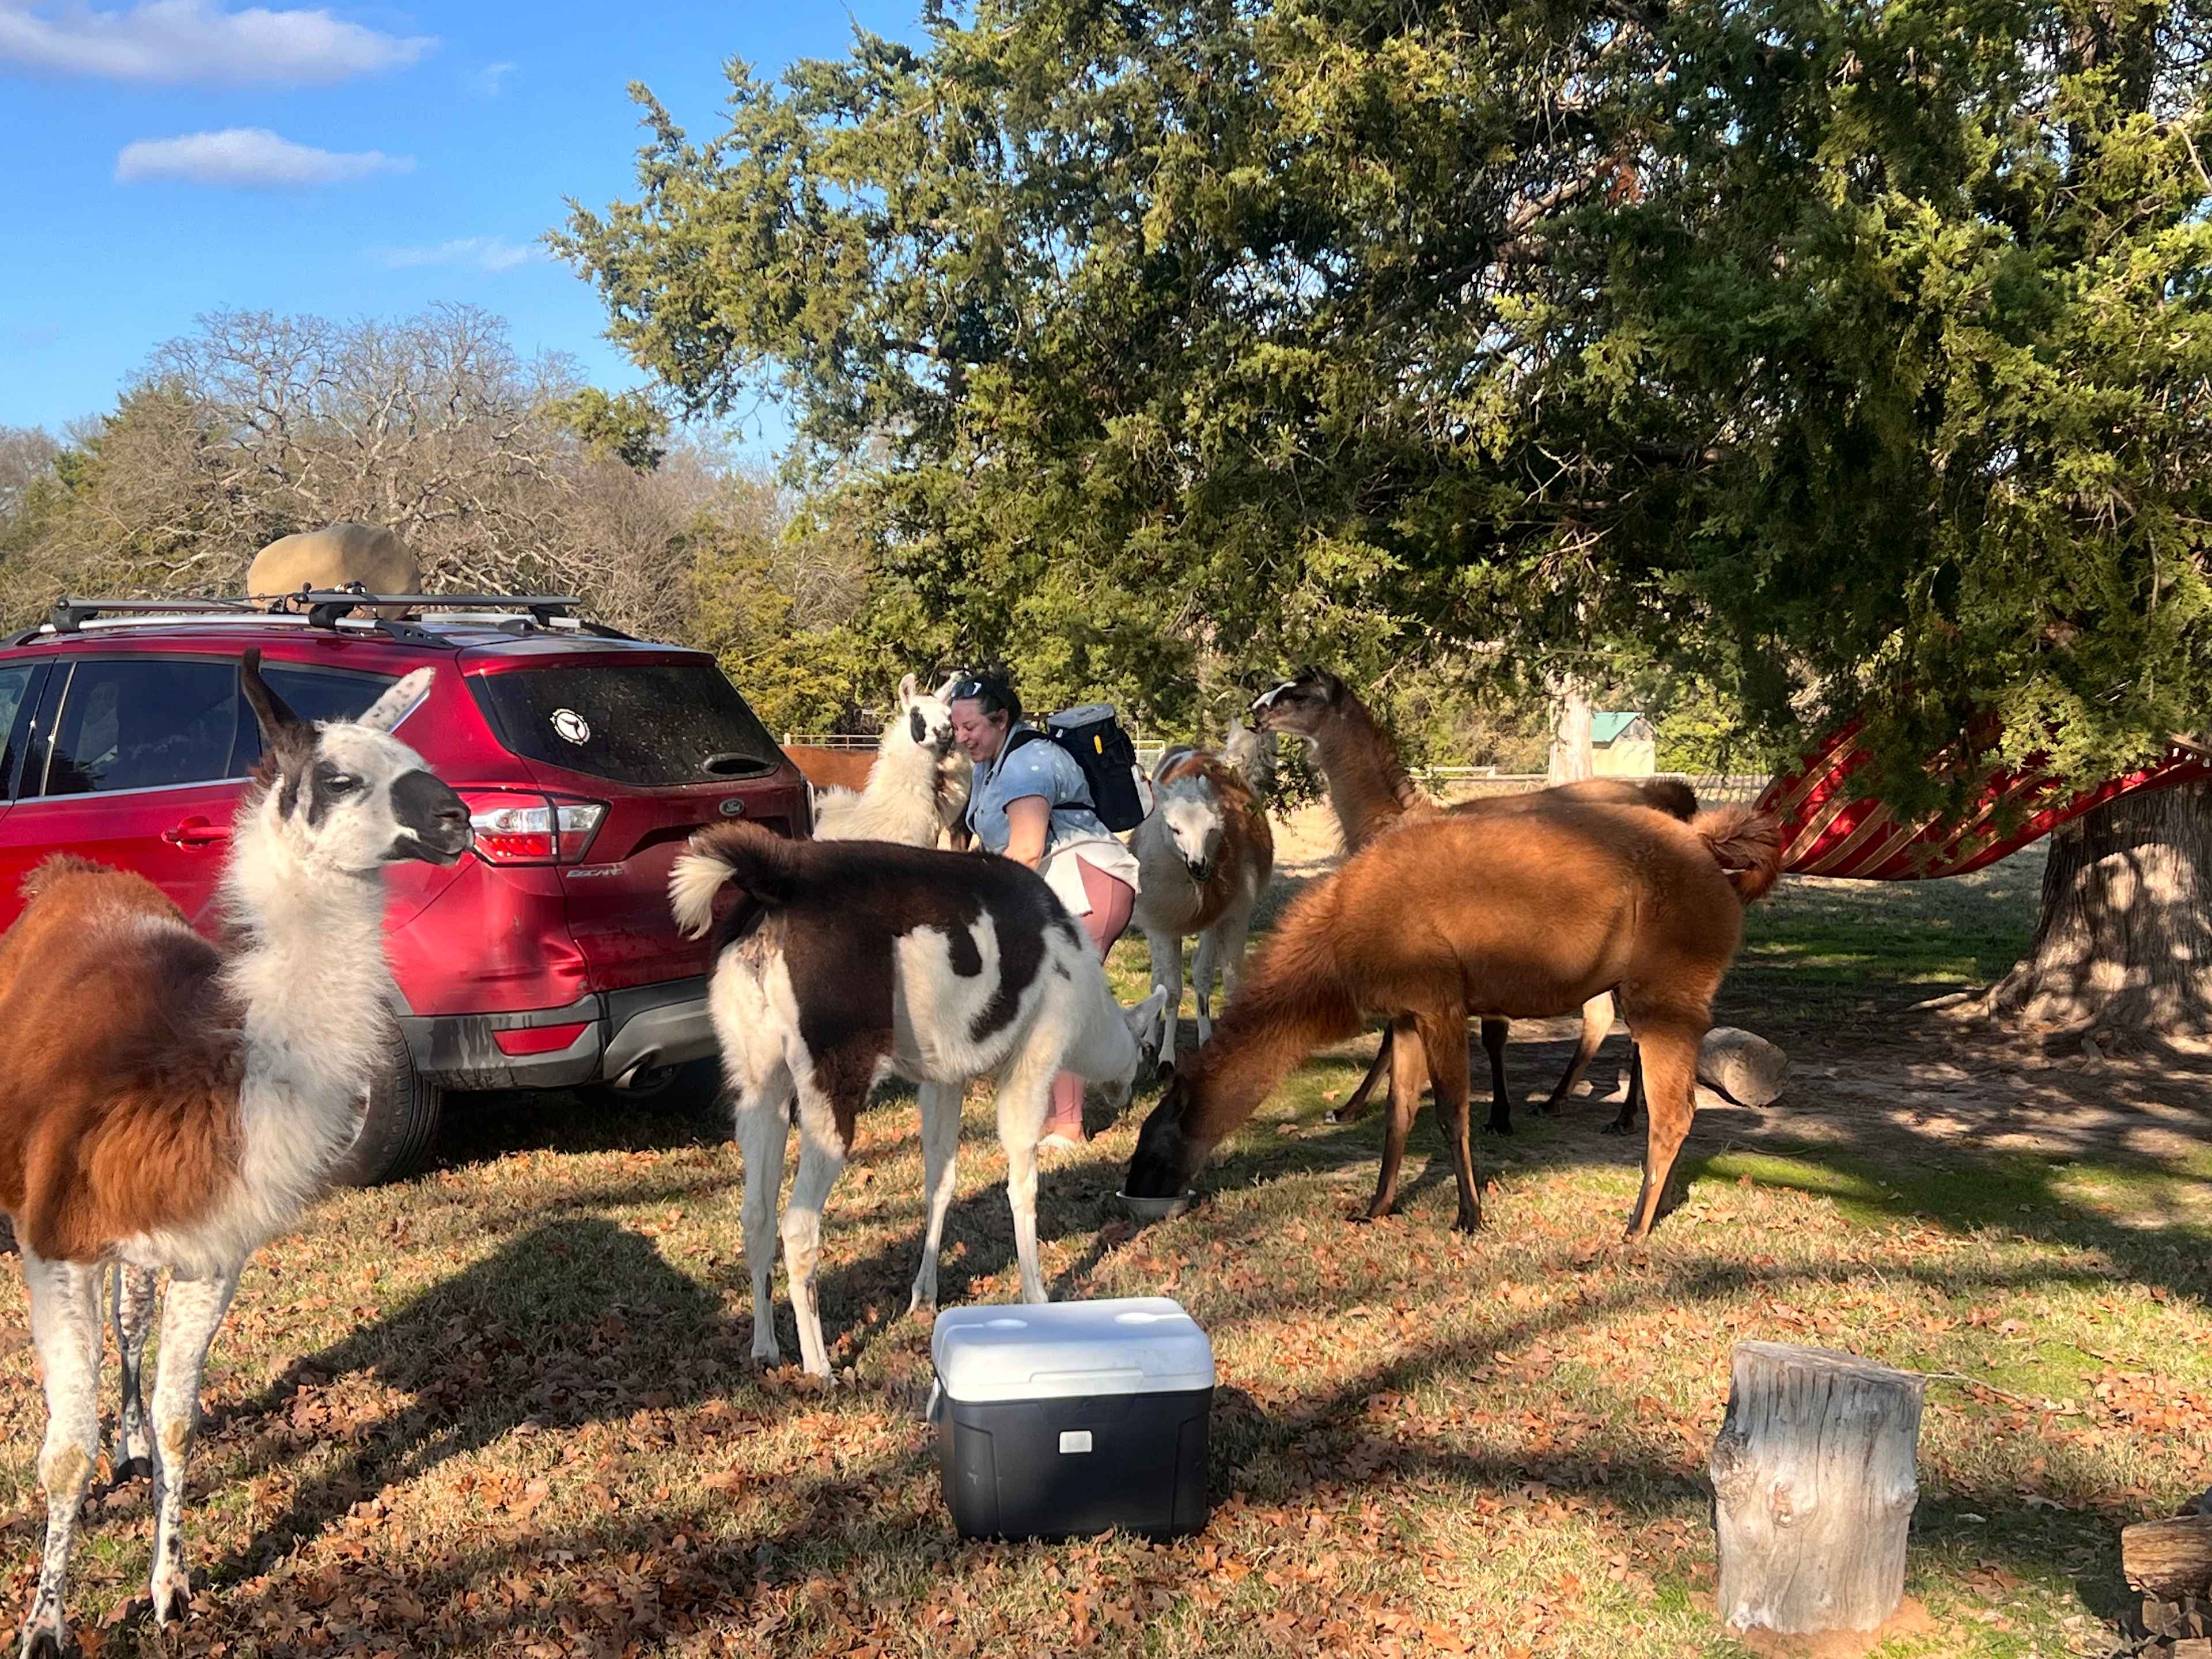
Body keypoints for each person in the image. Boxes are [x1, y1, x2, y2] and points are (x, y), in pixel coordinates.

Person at [948, 671, 1142, 1149]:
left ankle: (1068, 1126)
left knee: (1058, 1002)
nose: (962, 737)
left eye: (971, 726)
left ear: (1001, 719)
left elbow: (1027, 850)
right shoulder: (989, 763)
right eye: (956, 727)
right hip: (1057, 888)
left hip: (1089, 883)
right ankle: (1124, 1052)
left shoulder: (1027, 765)